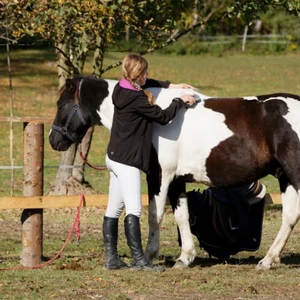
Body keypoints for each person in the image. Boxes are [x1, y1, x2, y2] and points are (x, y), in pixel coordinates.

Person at [103, 53, 196, 271]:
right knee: (133, 210)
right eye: (144, 72)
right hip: (128, 161)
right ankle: (140, 260)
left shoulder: (120, 88)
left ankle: (112, 259)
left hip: (114, 156)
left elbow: (147, 83)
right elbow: (163, 117)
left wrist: (170, 85)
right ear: (136, 74)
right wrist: (179, 100)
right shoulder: (137, 99)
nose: (148, 75)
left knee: (113, 210)